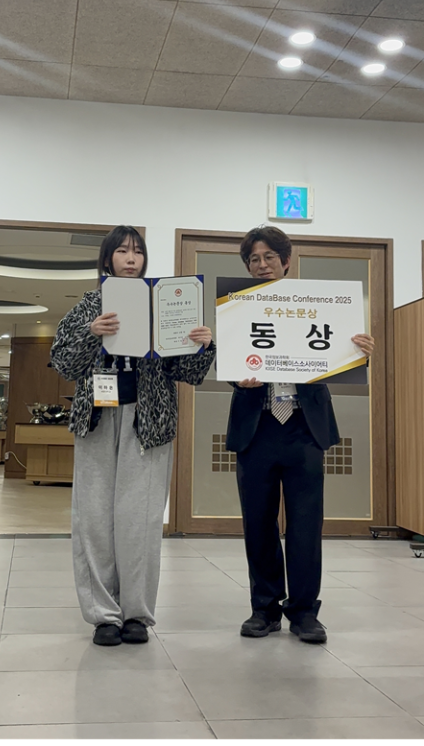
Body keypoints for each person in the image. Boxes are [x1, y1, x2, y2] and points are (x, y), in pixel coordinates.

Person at [51, 226, 215, 647]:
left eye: (137, 252)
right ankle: (103, 615)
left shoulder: (164, 304)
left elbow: (187, 373)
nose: (130, 258)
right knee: (93, 518)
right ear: (107, 259)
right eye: (122, 251)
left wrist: (202, 346)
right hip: (97, 420)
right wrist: (91, 333)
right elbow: (63, 363)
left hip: (149, 422)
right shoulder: (89, 305)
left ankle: (136, 614)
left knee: (140, 520)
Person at [226, 225, 374, 644]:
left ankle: (305, 612)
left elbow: (337, 354)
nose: (261, 265)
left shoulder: (316, 304)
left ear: (286, 262)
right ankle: (264, 609)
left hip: (304, 426)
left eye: (269, 257)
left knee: (306, 524)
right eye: (254, 259)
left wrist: (358, 351)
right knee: (258, 524)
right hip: (256, 427)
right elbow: (232, 360)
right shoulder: (236, 307)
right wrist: (238, 378)